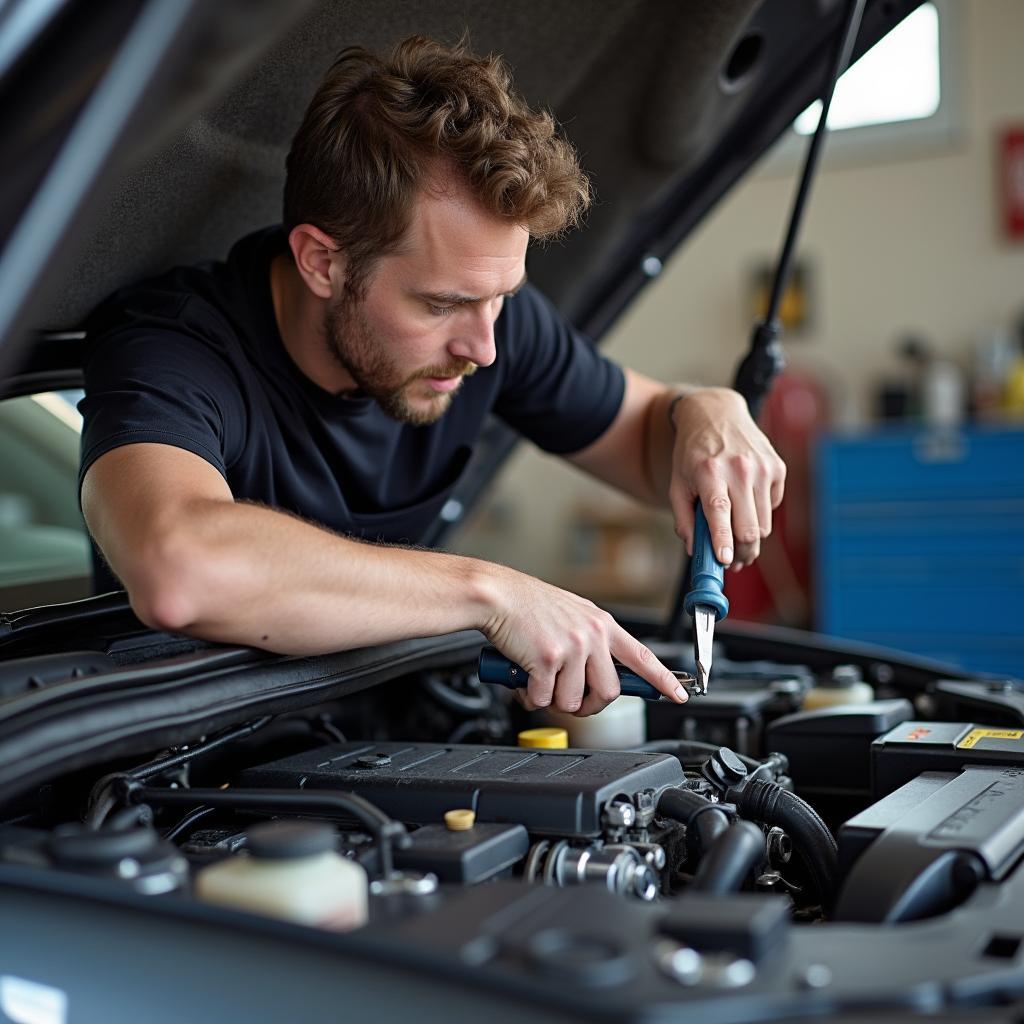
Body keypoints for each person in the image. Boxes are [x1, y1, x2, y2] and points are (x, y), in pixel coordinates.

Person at [79, 36, 785, 718]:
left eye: (501, 298)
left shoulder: (490, 327)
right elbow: (180, 570)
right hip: (182, 778)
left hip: (381, 742)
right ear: (322, 262)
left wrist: (702, 409)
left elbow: (650, 445)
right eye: (441, 303)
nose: (483, 347)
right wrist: (490, 592)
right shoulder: (171, 347)